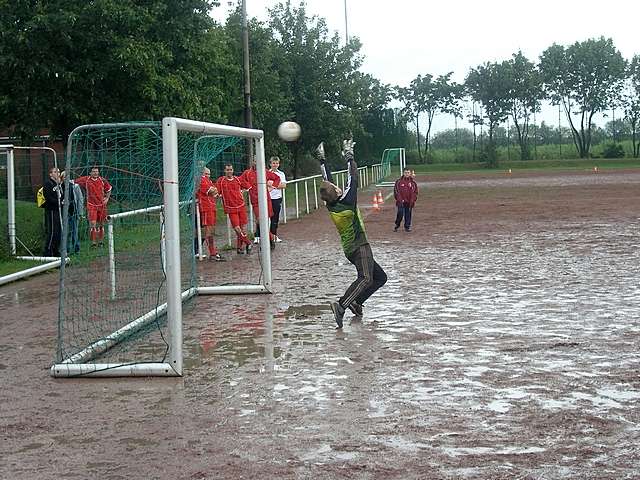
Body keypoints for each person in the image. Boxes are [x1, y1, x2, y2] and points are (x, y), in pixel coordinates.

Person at [316, 139, 388, 329]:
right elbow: (353, 178)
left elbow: (327, 181)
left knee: (380, 277)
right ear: (338, 193)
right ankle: (341, 305)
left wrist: (322, 161)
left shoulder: (332, 203)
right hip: (359, 246)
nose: (338, 186)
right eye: (337, 188)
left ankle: (357, 302)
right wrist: (349, 156)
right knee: (365, 278)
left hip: (350, 248)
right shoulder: (347, 201)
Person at [239, 158, 281, 250]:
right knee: (260, 221)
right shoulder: (247, 173)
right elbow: (240, 180)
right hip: (256, 202)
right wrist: (248, 186)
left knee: (266, 221)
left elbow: (277, 178)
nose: (256, 162)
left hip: (266, 200)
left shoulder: (264, 171)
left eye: (258, 160)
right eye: (254, 160)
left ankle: (269, 241)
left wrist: (273, 186)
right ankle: (268, 240)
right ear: (252, 161)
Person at [215, 163, 253, 255]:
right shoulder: (221, 180)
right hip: (231, 208)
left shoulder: (237, 179)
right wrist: (217, 195)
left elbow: (248, 186)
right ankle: (248, 243)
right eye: (227, 170)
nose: (229, 171)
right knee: (237, 228)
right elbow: (216, 191)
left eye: (231, 169)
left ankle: (239, 248)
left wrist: (242, 192)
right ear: (225, 171)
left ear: (233, 170)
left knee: (242, 228)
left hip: (241, 206)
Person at [75, 166, 112, 247]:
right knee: (93, 224)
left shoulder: (102, 180)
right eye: (94, 171)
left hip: (102, 205)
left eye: (97, 171)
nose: (95, 173)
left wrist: (107, 198)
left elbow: (109, 189)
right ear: (90, 173)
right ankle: (93, 243)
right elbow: (74, 181)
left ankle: (101, 242)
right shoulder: (86, 180)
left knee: (101, 224)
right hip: (91, 205)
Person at [196, 167, 224, 261]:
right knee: (208, 229)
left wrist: (213, 190)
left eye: (209, 174)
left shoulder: (208, 181)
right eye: (206, 174)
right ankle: (211, 252)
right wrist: (213, 190)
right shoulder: (201, 179)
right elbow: (212, 191)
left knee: (211, 229)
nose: (208, 176)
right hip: (206, 207)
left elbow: (215, 192)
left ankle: (212, 252)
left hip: (211, 206)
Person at [60, 171, 84, 254]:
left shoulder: (75, 186)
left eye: (67, 176)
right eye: (64, 177)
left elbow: (80, 199)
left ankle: (77, 249)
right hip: (64, 213)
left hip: (73, 211)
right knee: (65, 232)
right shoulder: (59, 187)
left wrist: (80, 213)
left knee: (74, 231)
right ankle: (66, 250)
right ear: (61, 178)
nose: (66, 178)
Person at [43, 166, 62, 257]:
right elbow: (49, 198)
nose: (57, 174)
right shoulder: (48, 184)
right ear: (51, 174)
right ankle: (48, 252)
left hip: (59, 210)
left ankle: (56, 251)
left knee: (58, 231)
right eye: (55, 172)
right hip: (51, 210)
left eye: (58, 172)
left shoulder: (58, 184)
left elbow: (61, 196)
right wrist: (58, 202)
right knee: (53, 231)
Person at [267, 156, 287, 243]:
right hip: (267, 198)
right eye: (273, 163)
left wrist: (272, 184)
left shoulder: (281, 174)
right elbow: (265, 184)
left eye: (276, 163)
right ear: (270, 164)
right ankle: (260, 236)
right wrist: (276, 184)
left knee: (275, 218)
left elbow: (283, 185)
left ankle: (273, 236)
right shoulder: (266, 173)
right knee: (264, 217)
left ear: (278, 164)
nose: (275, 165)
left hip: (277, 198)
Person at [393, 168, 419, 232]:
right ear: (403, 173)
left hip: (409, 202)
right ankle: (397, 224)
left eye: (408, 172)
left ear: (410, 173)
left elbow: (415, 192)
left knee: (408, 214)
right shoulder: (398, 182)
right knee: (400, 213)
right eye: (405, 172)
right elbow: (396, 191)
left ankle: (407, 226)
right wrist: (399, 199)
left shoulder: (413, 183)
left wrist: (413, 200)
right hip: (401, 202)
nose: (407, 174)